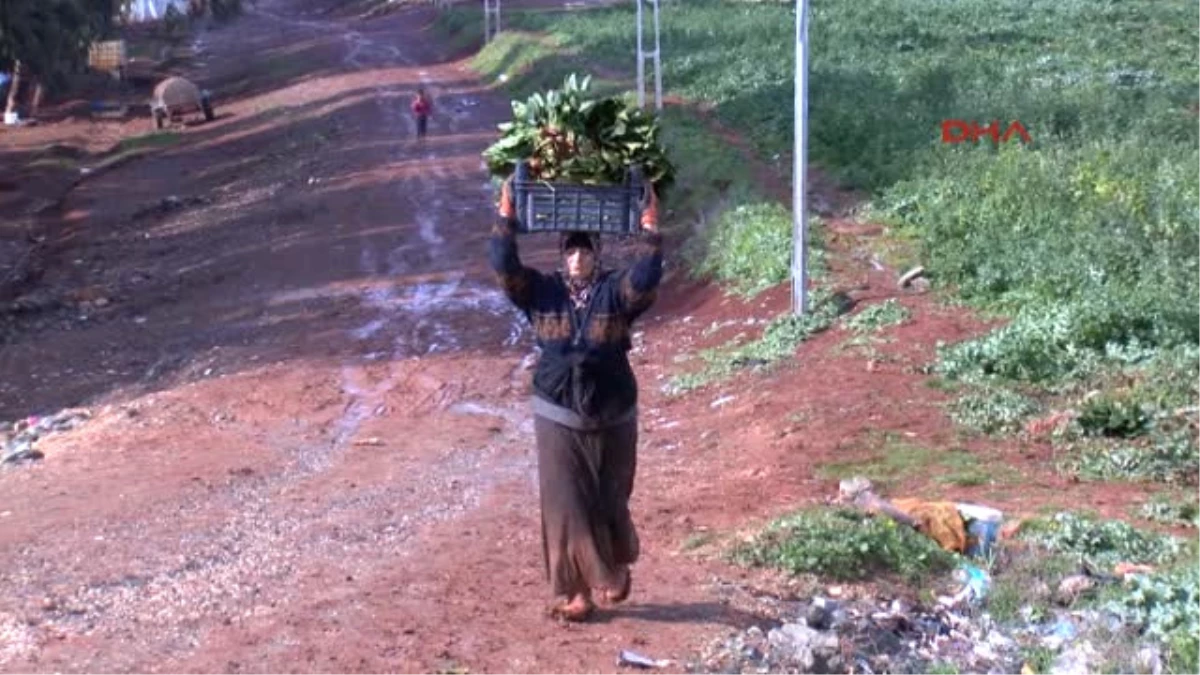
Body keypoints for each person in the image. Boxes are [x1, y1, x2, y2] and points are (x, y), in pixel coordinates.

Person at [489, 178, 663, 622]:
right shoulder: (541, 292)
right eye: (571, 251)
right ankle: (574, 591)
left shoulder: (614, 292)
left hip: (612, 408)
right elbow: (505, 269)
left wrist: (650, 228)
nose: (578, 258)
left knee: (608, 498)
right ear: (561, 256)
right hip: (557, 408)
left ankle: (613, 565)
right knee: (564, 501)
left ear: (597, 255)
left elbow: (644, 281)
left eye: (586, 251)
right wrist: (506, 218)